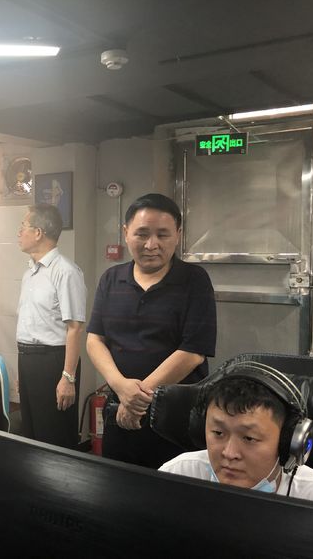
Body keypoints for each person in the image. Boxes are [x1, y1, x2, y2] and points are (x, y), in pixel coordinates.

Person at [87, 193, 216, 468]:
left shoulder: (195, 280)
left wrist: (137, 398)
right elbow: (95, 340)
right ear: (126, 232)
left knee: (173, 487)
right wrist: (121, 388)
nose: (151, 244)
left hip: (176, 418)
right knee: (117, 483)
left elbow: (192, 352)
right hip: (120, 411)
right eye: (142, 234)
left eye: (163, 234)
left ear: (178, 234)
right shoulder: (111, 279)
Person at [159, 367, 313, 509]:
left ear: (287, 442)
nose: (229, 453)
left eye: (249, 438)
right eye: (218, 433)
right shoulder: (178, 477)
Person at [16, 204, 86, 448]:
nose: (19, 232)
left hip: (54, 361)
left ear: (38, 233)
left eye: (23, 226)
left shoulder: (66, 272)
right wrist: (24, 370)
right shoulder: (30, 273)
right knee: (31, 433)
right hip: (28, 360)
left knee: (54, 436)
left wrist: (68, 377)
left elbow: (75, 328)